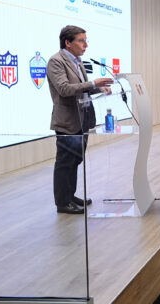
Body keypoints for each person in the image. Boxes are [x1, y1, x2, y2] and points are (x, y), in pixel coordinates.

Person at [47, 25, 113, 214]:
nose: (86, 45)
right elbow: (65, 89)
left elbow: (81, 87)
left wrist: (98, 88)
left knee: (76, 160)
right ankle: (62, 202)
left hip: (82, 119)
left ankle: (70, 195)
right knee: (65, 162)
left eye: (86, 40)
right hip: (67, 121)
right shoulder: (56, 61)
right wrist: (94, 83)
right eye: (81, 41)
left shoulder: (77, 61)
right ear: (68, 43)